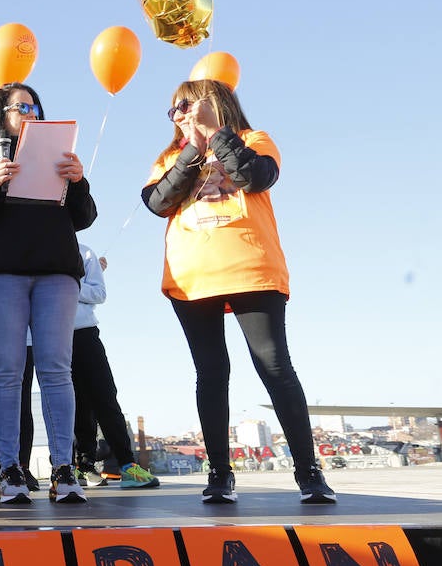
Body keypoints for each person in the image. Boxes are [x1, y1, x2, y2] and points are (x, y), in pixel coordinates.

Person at [142, 78, 335, 503]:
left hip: (251, 269)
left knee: (275, 367)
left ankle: (310, 472)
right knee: (211, 374)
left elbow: (255, 177)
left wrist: (217, 135)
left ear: (217, 104)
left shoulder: (254, 138)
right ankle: (219, 474)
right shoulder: (170, 156)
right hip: (193, 277)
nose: (180, 115)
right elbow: (157, 202)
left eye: (188, 105)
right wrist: (193, 150)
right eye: (174, 110)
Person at [0, 82, 96, 505]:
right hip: (0, 276)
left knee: (56, 370)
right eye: (20, 107)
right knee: (7, 372)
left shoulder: (58, 162)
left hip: (56, 273)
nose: (30, 112)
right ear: (0, 114)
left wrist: (78, 181)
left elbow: (84, 218)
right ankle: (10, 468)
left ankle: (64, 469)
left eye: (35, 106)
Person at [70, 245, 160, 489]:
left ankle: (128, 465)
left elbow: (99, 293)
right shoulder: (35, 249)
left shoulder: (84, 253)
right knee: (70, 404)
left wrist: (67, 285)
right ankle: (80, 466)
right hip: (49, 334)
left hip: (84, 333)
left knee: (105, 397)